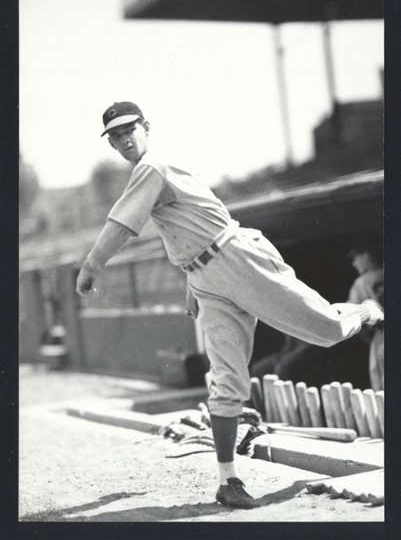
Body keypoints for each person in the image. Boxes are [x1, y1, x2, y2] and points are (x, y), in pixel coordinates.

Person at [76, 101, 384, 510]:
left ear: (146, 127)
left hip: (237, 257)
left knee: (326, 329)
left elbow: (122, 226)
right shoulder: (149, 172)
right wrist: (193, 280)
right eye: (115, 136)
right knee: (226, 381)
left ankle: (362, 309)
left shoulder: (154, 164)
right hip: (206, 275)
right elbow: (185, 228)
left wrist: (93, 262)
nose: (123, 139)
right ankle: (229, 481)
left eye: (128, 129)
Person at [347, 244, 384, 391]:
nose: (354, 263)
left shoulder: (361, 282)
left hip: (382, 337)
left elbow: (353, 318)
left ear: (367, 255)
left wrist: (371, 342)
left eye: (356, 257)